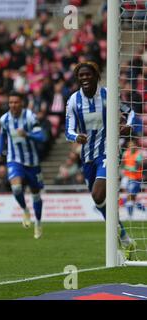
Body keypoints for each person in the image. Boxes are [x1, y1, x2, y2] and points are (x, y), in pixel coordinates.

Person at [65, 61, 136, 259]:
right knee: (99, 201)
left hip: (108, 151)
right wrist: (75, 137)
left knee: (98, 194)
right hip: (87, 156)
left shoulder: (108, 95)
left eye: (88, 75)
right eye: (81, 76)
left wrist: (128, 126)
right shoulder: (73, 101)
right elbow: (68, 130)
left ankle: (118, 241)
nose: (84, 78)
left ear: (96, 76)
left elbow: (130, 113)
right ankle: (124, 238)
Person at [0, 91, 47, 239]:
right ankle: (25, 210)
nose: (13, 105)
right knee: (16, 187)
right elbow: (3, 136)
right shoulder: (4, 119)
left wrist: (27, 134)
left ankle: (38, 223)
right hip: (14, 159)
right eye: (11, 102)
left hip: (33, 162)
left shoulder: (30, 117)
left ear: (22, 103)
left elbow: (42, 136)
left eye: (16, 102)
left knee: (36, 194)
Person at [120, 139, 145, 220]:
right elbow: (122, 165)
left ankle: (130, 216)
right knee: (130, 198)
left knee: (131, 197)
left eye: (133, 145)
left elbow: (136, 168)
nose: (131, 147)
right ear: (128, 146)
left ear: (136, 146)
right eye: (130, 145)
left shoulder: (138, 155)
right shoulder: (125, 153)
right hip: (126, 178)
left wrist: (127, 168)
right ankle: (140, 211)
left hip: (135, 179)